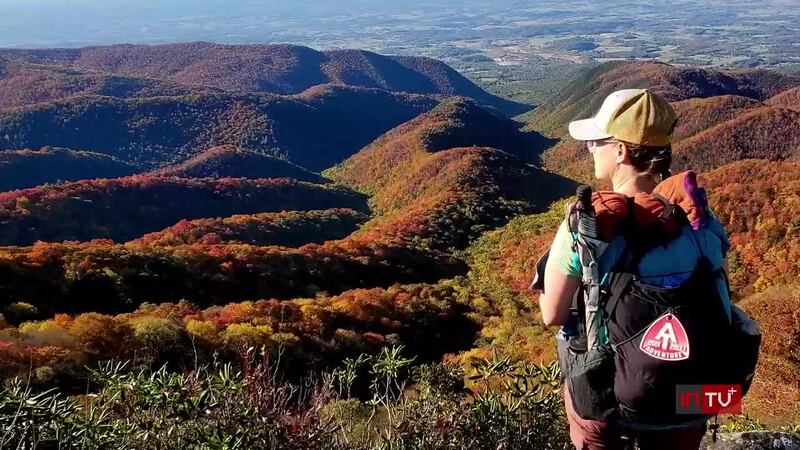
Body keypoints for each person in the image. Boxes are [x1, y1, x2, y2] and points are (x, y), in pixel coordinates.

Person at [537, 88, 731, 449]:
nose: (591, 149)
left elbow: (552, 314)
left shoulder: (588, 225)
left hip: (607, 397)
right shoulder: (700, 222)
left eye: (597, 142)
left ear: (622, 150)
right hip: (692, 394)